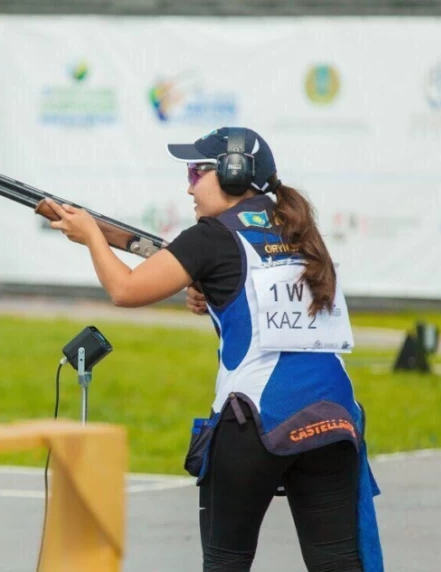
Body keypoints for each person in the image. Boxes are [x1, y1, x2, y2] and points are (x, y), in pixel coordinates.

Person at [44, 126, 383, 572]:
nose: (189, 185)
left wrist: (91, 235)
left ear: (233, 173)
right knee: (337, 563)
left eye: (196, 172)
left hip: (256, 418)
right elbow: (259, 298)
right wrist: (211, 294)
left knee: (226, 563)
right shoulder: (300, 229)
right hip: (331, 416)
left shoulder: (211, 236)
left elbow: (125, 290)